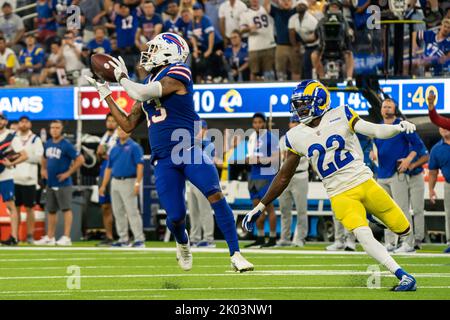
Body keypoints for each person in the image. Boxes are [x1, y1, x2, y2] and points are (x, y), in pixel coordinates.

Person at [86, 32, 253, 272]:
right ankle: (182, 242)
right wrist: (107, 95)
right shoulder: (145, 83)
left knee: (214, 194)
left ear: (171, 52)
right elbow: (127, 125)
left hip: (188, 150)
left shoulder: (179, 72)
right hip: (163, 158)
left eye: (155, 49)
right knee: (175, 216)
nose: (149, 53)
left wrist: (121, 77)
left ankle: (236, 254)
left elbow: (143, 93)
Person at [243, 80, 418, 291]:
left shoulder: (341, 114)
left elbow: (374, 130)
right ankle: (403, 275)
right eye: (298, 105)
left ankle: (373, 216)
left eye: (304, 104)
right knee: (363, 235)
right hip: (339, 193)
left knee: (405, 229)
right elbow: (283, 176)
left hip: (363, 181)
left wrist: (398, 128)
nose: (299, 109)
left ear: (319, 101)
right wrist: (260, 206)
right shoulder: (295, 136)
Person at [372, 98, 428, 253]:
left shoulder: (402, 126)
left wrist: (409, 160)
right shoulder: (378, 127)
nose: (387, 109)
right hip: (382, 173)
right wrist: (373, 153)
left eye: (390, 107)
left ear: (395, 109)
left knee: (402, 209)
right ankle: (390, 242)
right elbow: (377, 146)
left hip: (398, 174)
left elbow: (418, 145)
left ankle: (408, 243)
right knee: (384, 210)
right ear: (381, 109)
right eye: (385, 107)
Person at [36, 120, 85, 246]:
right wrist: (43, 169)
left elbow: (80, 159)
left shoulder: (66, 145)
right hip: (51, 182)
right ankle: (50, 237)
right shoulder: (48, 143)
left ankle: (66, 237)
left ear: (61, 129)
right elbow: (43, 157)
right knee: (51, 210)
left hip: (63, 183)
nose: (54, 130)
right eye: (52, 128)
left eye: (57, 128)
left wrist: (68, 173)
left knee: (66, 209)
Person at [99, 126, 145, 248]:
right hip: (115, 181)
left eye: (124, 130)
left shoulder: (134, 147)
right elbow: (108, 168)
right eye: (119, 130)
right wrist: (103, 185)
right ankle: (123, 238)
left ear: (129, 132)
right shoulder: (114, 148)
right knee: (118, 211)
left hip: (129, 180)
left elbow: (140, 166)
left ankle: (139, 239)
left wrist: (137, 183)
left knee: (132, 211)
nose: (121, 132)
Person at [245, 113, 279, 248]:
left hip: (266, 176)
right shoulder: (252, 138)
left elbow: (276, 159)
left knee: (268, 207)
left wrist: (261, 160)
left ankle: (272, 237)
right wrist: (248, 160)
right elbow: (249, 157)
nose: (257, 125)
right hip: (253, 175)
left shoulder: (271, 138)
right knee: (255, 208)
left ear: (264, 123)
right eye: (255, 122)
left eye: (260, 122)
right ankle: (259, 236)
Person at [277, 115, 309, 247]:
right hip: (285, 176)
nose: (294, 124)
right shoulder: (283, 139)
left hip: (300, 175)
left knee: (301, 210)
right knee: (284, 209)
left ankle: (300, 238)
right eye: (292, 122)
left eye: (296, 122)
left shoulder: (306, 138)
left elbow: (298, 157)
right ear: (289, 124)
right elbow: (283, 157)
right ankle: (285, 238)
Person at [13, 116, 44, 244]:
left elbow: (38, 158)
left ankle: (30, 235)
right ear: (19, 124)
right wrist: (22, 156)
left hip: (30, 179)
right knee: (15, 208)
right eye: (22, 122)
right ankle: (16, 235)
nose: (24, 124)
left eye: (26, 122)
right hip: (14, 178)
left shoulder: (35, 139)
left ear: (30, 124)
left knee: (30, 208)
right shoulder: (14, 137)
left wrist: (21, 156)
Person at [0, 112, 28, 246]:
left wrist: (10, 163)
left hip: (5, 175)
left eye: (1, 119)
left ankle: (14, 237)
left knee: (11, 206)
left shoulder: (11, 137)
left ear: (5, 121)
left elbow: (24, 155)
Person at [187, 120, 215, 248]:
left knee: (205, 210)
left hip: (202, 180)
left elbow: (206, 163)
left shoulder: (208, 145)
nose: (199, 132)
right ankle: (195, 237)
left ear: (205, 130)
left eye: (201, 129)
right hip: (191, 181)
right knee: (193, 211)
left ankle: (208, 238)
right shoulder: (192, 144)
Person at [240, 0, 276, 81]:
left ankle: (270, 89)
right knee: (254, 72)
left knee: (269, 71)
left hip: (268, 45)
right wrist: (249, 28)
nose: (254, 1)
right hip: (254, 47)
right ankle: (253, 90)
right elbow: (241, 30)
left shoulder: (266, 9)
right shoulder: (245, 13)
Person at [264, 0, 299, 81]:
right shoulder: (276, 11)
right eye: (284, 0)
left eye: (288, 0)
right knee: (280, 71)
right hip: (281, 46)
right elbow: (266, 4)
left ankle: (296, 88)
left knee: (296, 70)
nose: (286, 2)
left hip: (294, 46)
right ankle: (281, 89)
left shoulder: (296, 11)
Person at [96, 113, 117, 246]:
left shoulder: (119, 137)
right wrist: (99, 154)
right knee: (105, 206)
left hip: (115, 174)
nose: (110, 123)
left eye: (113, 121)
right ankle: (109, 236)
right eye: (108, 121)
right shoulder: (104, 138)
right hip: (103, 173)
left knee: (120, 207)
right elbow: (100, 159)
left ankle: (124, 236)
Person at [428, 127, 450, 253]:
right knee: (449, 214)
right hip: (449, 184)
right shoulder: (436, 149)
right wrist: (431, 189)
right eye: (441, 127)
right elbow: (433, 172)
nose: (444, 129)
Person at [288, 0, 320, 79]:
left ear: (306, 7)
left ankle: (319, 82)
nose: (300, 6)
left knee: (316, 65)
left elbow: (317, 35)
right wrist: (295, 45)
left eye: (303, 5)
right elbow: (291, 33)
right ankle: (308, 83)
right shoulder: (293, 18)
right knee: (306, 66)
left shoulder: (312, 19)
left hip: (315, 45)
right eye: (299, 5)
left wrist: (305, 41)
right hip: (305, 45)